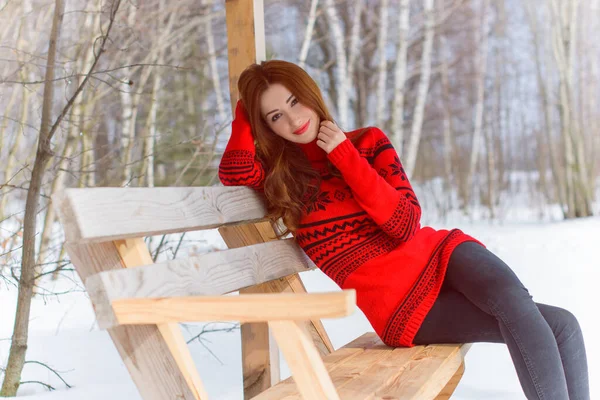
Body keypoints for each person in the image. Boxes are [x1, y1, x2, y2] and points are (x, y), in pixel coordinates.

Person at [218, 59, 589, 400]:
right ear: (265, 127)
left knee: (559, 322)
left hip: (442, 253)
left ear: (311, 93)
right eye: (275, 116)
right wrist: (245, 112)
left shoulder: (366, 142)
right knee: (551, 324)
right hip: (401, 307)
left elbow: (405, 224)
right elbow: (233, 174)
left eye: (295, 101)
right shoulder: (284, 180)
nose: (293, 119)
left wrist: (346, 156)